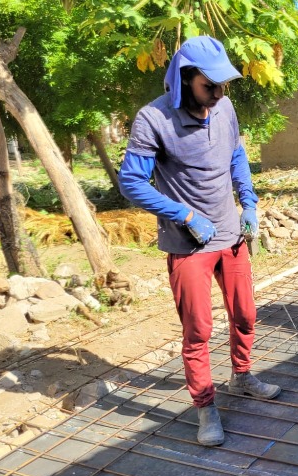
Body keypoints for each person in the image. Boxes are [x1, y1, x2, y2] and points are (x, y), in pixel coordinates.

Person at [118, 36, 280, 448]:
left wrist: (249, 202)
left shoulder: (224, 108)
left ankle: (242, 376)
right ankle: (206, 407)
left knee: (245, 314)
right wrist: (185, 215)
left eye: (223, 85)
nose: (219, 93)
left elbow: (236, 155)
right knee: (198, 330)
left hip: (231, 235)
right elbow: (131, 182)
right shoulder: (153, 119)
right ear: (185, 78)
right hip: (188, 244)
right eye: (210, 85)